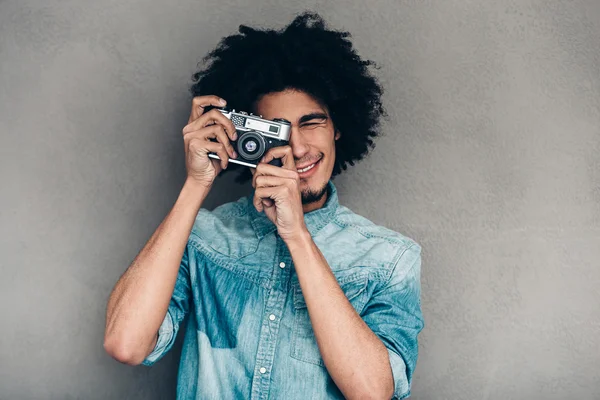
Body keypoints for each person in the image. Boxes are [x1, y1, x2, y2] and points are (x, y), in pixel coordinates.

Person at [103, 11, 424, 400]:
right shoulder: (203, 237)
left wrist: (297, 235)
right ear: (245, 139)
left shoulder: (391, 257)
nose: (299, 147)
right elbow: (125, 343)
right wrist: (196, 183)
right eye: (277, 131)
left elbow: (373, 392)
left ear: (338, 126)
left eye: (312, 122)